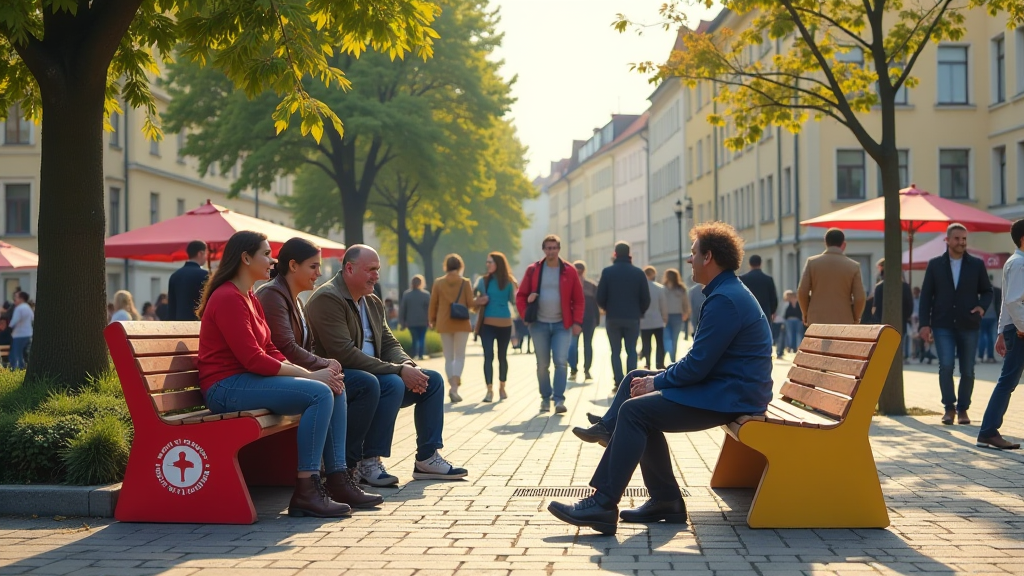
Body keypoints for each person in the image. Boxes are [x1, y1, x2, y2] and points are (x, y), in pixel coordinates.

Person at [556, 222, 773, 535]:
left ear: (708, 257)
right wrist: (654, 377)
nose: (689, 259)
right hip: (727, 386)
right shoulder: (725, 292)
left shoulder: (725, 300)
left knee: (635, 410)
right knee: (636, 378)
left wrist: (657, 383)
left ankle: (603, 503)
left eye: (693, 253)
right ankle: (663, 497)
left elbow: (697, 367)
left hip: (732, 394)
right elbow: (700, 361)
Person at [195, 231, 350, 518]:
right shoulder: (229, 297)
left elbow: (269, 349)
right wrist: (310, 377)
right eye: (266, 254)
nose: (272, 260)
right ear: (245, 258)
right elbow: (254, 359)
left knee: (333, 387)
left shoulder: (250, 297)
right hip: (225, 387)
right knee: (319, 392)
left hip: (246, 382)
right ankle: (307, 489)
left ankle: (338, 478)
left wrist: (311, 373)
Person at [306, 244, 467, 485]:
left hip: (376, 376)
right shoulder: (328, 298)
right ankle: (367, 461)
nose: (377, 276)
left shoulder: (371, 301)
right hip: (344, 378)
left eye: (378, 269)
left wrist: (408, 365)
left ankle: (427, 458)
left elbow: (389, 342)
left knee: (431, 380)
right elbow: (345, 354)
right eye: (371, 269)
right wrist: (398, 371)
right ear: (349, 269)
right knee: (392, 383)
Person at [256, 237, 384, 508]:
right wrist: (322, 366)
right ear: (293, 266)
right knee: (329, 389)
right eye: (313, 266)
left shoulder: (296, 299)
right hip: (270, 377)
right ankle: (318, 480)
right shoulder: (272, 295)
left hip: (287, 374)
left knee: (346, 384)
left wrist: (325, 364)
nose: (320, 273)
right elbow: (285, 347)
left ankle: (339, 476)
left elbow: (305, 345)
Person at [918, 223, 993, 426]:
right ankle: (949, 408)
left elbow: (988, 291)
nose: (962, 242)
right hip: (942, 324)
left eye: (964, 239)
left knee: (968, 369)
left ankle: (963, 409)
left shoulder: (976, 264)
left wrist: (982, 307)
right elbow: (926, 296)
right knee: (947, 366)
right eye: (958, 238)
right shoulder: (935, 265)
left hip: (968, 323)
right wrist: (924, 324)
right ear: (948, 240)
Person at [515, 235, 584, 414]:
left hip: (563, 324)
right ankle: (545, 398)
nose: (551, 251)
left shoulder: (569, 270)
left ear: (559, 249)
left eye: (554, 248)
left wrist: (577, 322)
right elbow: (520, 296)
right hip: (539, 324)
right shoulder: (533, 270)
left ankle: (559, 399)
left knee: (561, 361)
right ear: (543, 250)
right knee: (542, 364)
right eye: (548, 248)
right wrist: (525, 316)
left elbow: (578, 299)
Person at [976, 218, 1024, 450]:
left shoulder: (1015, 262)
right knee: (1008, 382)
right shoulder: (1019, 264)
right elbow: (1014, 302)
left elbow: (1007, 301)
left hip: (1014, 329)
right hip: (1020, 330)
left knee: (1008, 381)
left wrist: (1001, 332)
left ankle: (988, 431)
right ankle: (988, 431)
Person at [595, 241, 650, 389]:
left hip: (613, 317)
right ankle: (631, 382)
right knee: (631, 350)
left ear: (615, 254)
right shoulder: (638, 273)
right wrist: (639, 312)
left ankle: (618, 381)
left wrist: (607, 308)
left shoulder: (607, 272)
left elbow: (600, 297)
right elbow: (646, 298)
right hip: (632, 317)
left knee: (615, 351)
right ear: (629, 254)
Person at [798, 228, 867, 326]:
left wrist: (806, 313)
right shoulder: (853, 266)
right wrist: (855, 317)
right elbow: (860, 297)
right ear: (843, 244)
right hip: (844, 319)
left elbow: (802, 292)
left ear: (825, 243)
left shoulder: (812, 263)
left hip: (816, 319)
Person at [429, 254, 473, 403]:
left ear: (446, 266)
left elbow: (433, 303)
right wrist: (480, 302)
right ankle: (454, 388)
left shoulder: (439, 282)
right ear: (460, 266)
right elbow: (471, 304)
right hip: (461, 323)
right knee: (459, 356)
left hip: (444, 322)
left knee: (449, 357)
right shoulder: (465, 282)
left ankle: (452, 385)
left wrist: (432, 320)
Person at [474, 252, 518, 402]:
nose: (487, 264)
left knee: (502, 357)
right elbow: (472, 301)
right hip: (487, 324)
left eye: (490, 262)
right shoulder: (483, 281)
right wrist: (480, 300)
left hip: (505, 323)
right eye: (487, 262)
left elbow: (513, 301)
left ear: (498, 263)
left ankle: (502, 386)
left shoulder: (509, 282)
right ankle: (489, 390)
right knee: (488, 356)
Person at [870, 258, 913, 356]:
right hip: (901, 323)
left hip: (883, 323)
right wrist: (904, 317)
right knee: (898, 349)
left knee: (884, 351)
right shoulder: (905, 287)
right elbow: (909, 307)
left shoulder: (879, 287)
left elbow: (875, 307)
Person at [568, 260, 598, 381]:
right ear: (584, 271)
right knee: (588, 344)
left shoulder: (569, 284)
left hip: (574, 318)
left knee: (573, 345)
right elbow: (596, 303)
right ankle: (587, 370)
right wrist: (597, 319)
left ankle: (573, 369)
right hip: (589, 318)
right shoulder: (591, 285)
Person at [168, 240, 210, 320]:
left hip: (177, 325)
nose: (206, 257)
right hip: (197, 324)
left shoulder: (175, 276)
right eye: (205, 253)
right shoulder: (205, 275)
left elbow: (171, 307)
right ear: (200, 253)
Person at [639, 266, 668, 370]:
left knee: (646, 344)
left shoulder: (640, 288)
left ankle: (647, 363)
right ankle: (659, 363)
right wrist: (665, 317)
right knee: (660, 344)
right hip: (657, 320)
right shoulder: (659, 288)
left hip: (644, 321)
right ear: (653, 274)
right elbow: (663, 305)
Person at [662, 269, 692, 363]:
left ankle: (672, 359)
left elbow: (686, 303)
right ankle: (664, 358)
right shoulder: (663, 288)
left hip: (677, 316)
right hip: (665, 317)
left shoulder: (681, 288)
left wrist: (686, 313)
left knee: (674, 339)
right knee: (667, 338)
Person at [399, 275, 430, 360]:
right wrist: (430, 320)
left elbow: (403, 309)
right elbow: (429, 309)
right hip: (423, 320)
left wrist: (402, 321)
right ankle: (420, 354)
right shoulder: (426, 295)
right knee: (421, 338)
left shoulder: (407, 294)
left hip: (411, 321)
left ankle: (413, 354)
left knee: (414, 338)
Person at [8, 291, 34, 370]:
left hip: (19, 335)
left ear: (21, 299)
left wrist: (9, 327)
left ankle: (17, 370)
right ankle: (24, 369)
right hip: (28, 334)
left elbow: (14, 321)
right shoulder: (28, 307)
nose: (14, 299)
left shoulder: (19, 308)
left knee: (16, 355)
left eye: (16, 297)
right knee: (25, 354)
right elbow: (32, 318)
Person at [979, 279, 1002, 364]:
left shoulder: (979, 291)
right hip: (992, 317)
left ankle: (981, 356)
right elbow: (998, 304)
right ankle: (990, 356)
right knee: (991, 337)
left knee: (982, 336)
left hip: (982, 316)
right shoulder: (996, 291)